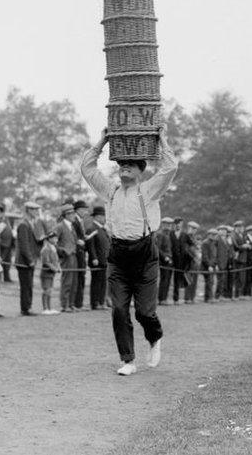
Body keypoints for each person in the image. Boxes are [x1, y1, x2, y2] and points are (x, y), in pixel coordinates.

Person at [79, 125, 177, 376]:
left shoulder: (149, 189)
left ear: (141, 171)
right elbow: (87, 169)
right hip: (118, 255)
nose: (124, 167)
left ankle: (154, 339)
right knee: (119, 308)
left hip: (145, 255)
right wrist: (102, 141)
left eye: (131, 164)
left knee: (144, 311)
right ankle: (127, 359)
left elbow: (170, 168)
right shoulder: (110, 191)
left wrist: (161, 139)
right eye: (122, 164)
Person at [15, 202, 46, 316]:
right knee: (26, 285)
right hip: (24, 262)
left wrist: (41, 240)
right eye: (34, 210)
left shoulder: (30, 224)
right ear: (28, 210)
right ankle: (25, 308)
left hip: (29, 260)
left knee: (29, 285)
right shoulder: (24, 224)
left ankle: (28, 307)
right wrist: (30, 260)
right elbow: (24, 245)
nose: (36, 212)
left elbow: (31, 243)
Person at [54, 204, 79, 313]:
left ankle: (71, 304)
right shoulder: (59, 226)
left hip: (74, 256)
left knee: (74, 281)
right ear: (66, 215)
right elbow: (52, 242)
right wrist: (62, 251)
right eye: (72, 214)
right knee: (67, 281)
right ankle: (64, 305)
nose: (74, 215)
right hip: (66, 257)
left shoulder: (72, 226)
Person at [87, 206, 111, 310]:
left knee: (103, 283)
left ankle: (101, 302)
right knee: (96, 282)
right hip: (97, 261)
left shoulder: (103, 229)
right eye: (102, 216)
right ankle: (95, 303)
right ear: (96, 217)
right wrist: (94, 258)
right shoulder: (92, 228)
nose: (104, 218)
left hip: (104, 260)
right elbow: (90, 245)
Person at [70, 200, 90, 308]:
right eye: (83, 209)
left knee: (82, 277)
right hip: (78, 252)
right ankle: (77, 303)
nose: (85, 212)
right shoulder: (74, 221)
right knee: (78, 277)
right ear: (77, 210)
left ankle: (79, 303)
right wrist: (80, 241)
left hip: (81, 252)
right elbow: (74, 237)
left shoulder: (80, 221)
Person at [39, 233, 60, 315]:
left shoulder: (53, 248)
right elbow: (46, 262)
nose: (56, 240)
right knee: (46, 290)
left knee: (50, 291)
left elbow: (56, 260)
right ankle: (45, 308)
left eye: (56, 238)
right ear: (49, 239)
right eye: (54, 238)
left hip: (51, 273)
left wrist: (58, 267)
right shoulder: (46, 249)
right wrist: (54, 268)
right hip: (46, 273)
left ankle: (49, 308)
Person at [156, 217, 175, 305]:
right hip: (163, 261)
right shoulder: (160, 234)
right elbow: (158, 248)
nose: (169, 226)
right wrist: (165, 257)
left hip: (169, 261)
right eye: (167, 224)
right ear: (163, 225)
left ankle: (164, 298)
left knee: (167, 280)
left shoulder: (169, 234)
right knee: (164, 280)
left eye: (170, 224)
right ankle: (161, 299)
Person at [200, 229, 218, 302]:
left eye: (215, 235)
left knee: (211, 282)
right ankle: (209, 298)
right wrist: (209, 266)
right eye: (212, 235)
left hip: (212, 265)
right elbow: (205, 256)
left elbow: (215, 255)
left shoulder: (214, 242)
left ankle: (209, 297)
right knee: (209, 282)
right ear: (209, 235)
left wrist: (215, 265)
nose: (214, 236)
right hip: (206, 266)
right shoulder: (205, 243)